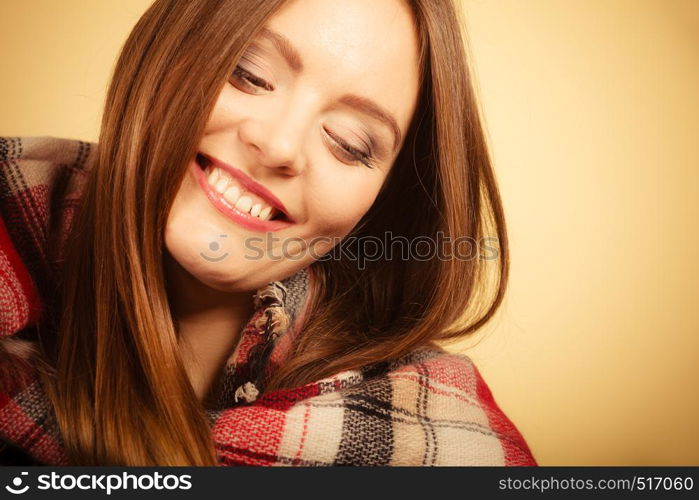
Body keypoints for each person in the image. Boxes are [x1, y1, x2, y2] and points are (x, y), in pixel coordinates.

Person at [0, 0, 537, 466]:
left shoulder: (439, 441)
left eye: (349, 143)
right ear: (167, 52)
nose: (279, 145)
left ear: (380, 207)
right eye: (249, 74)